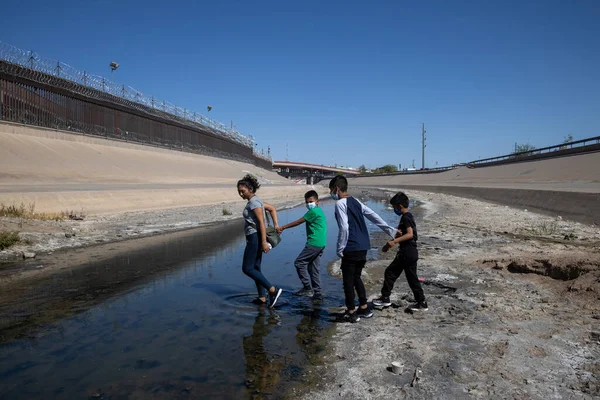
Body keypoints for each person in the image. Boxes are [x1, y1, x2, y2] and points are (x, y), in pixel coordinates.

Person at [329, 175, 397, 323]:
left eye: (331, 190)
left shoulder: (340, 203)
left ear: (336, 189)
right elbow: (373, 215)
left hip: (351, 246)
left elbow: (345, 227)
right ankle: (364, 308)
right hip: (363, 245)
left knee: (348, 280)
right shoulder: (356, 201)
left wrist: (340, 248)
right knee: (356, 277)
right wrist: (390, 230)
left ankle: (352, 312)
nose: (332, 193)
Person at [373, 192, 428, 311]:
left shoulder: (406, 217)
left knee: (390, 272)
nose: (394, 209)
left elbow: (410, 234)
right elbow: (403, 233)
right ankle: (421, 302)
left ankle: (385, 298)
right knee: (412, 278)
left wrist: (393, 242)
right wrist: (392, 240)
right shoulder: (407, 217)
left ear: (400, 206)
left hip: (407, 252)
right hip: (411, 251)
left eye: (394, 207)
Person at [237, 174, 283, 308]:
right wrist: (275, 225)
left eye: (243, 191)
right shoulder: (257, 200)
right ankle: (262, 297)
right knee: (256, 268)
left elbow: (261, 222)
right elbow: (272, 208)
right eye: (239, 191)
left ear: (250, 189)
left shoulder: (254, 202)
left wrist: (263, 241)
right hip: (254, 237)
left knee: (247, 268)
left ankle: (272, 290)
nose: (240, 194)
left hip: (255, 237)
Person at [276, 190, 327, 299]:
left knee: (299, 263)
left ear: (317, 202)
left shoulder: (313, 212)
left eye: (311, 201)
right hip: (321, 243)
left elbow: (298, 222)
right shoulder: (319, 211)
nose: (309, 204)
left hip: (314, 243)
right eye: (307, 202)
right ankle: (317, 293)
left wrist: (283, 227)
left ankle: (308, 288)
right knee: (314, 268)